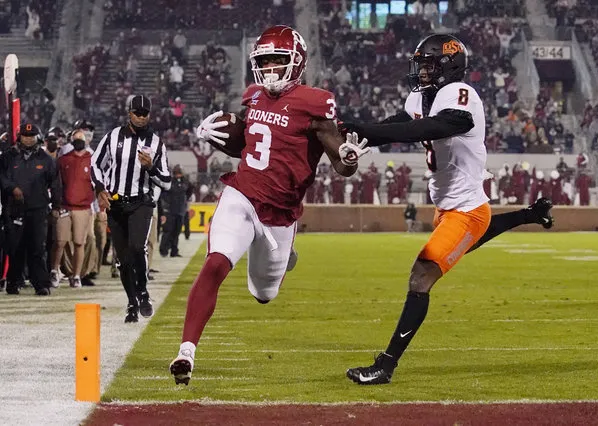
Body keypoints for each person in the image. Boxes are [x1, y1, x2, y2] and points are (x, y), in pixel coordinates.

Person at [338, 34, 554, 385]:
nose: (422, 72)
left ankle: (385, 366)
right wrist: (354, 131)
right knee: (466, 242)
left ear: (448, 67)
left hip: (467, 211)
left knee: (421, 275)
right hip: (455, 211)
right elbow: (399, 123)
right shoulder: (422, 97)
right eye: (420, 65)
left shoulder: (460, 96)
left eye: (429, 65)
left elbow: (430, 127)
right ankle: (529, 215)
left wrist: (369, 130)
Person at [169, 25, 366, 385]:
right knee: (216, 262)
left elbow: (340, 163)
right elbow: (248, 144)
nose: (271, 69)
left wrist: (349, 158)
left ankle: (285, 253)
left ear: (297, 63)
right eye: (265, 62)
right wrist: (221, 138)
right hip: (243, 193)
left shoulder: (315, 103)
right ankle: (186, 351)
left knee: (264, 293)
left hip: (281, 212)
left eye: (279, 60)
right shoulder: (253, 96)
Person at [91, 95, 171, 322]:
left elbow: (166, 181)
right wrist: (99, 189)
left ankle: (143, 292)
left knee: (137, 247)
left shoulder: (156, 143)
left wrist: (152, 167)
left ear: (150, 115)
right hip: (116, 203)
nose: (141, 117)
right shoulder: (113, 136)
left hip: (141, 202)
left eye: (145, 113)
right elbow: (96, 163)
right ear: (129, 113)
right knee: (123, 260)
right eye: (137, 112)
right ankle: (132, 302)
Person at [0, 123, 60, 295]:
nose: (28, 139)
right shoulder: (8, 157)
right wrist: (11, 188)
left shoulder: (46, 159)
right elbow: (1, 177)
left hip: (38, 208)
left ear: (37, 137)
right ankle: (14, 281)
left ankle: (41, 284)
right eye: (25, 136)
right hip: (14, 209)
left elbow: (55, 183)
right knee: (14, 247)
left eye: (32, 136)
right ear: (19, 137)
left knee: (37, 247)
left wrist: (56, 205)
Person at [51, 129, 95, 288]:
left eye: (81, 138)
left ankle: (76, 275)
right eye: (76, 138)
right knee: (60, 241)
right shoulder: (63, 160)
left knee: (79, 242)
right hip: (64, 206)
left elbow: (98, 184)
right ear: (71, 141)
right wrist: (56, 204)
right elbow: (56, 183)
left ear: (86, 141)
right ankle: (54, 271)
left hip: (83, 208)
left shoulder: (92, 160)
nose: (78, 141)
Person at [159, 165, 188, 257]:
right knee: (168, 231)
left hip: (180, 210)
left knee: (177, 232)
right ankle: (164, 250)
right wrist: (168, 204)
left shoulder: (185, 182)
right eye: (177, 173)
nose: (178, 175)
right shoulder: (170, 182)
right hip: (170, 211)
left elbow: (189, 190)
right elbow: (164, 194)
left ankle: (174, 251)